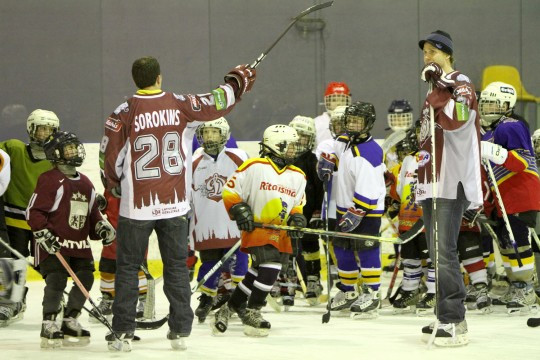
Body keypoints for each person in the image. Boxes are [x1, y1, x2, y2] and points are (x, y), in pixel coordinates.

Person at [101, 56, 255, 352]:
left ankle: (122, 331)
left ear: (135, 80)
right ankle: (180, 329)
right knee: (175, 267)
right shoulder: (180, 104)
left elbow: (110, 157)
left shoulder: (123, 112)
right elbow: (217, 102)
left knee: (128, 268)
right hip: (175, 206)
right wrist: (237, 81)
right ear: (159, 77)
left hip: (137, 207)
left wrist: (113, 183)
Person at [416, 30, 482, 346]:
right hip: (430, 180)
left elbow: (459, 117)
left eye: (433, 52)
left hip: (450, 179)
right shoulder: (435, 89)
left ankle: (452, 318)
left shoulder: (460, 81)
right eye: (425, 53)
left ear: (447, 54)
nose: (427, 57)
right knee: (436, 249)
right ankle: (448, 313)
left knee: (444, 251)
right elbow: (429, 136)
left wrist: (440, 88)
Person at [213, 124, 307, 337]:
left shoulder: (298, 175)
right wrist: (238, 209)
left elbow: (297, 204)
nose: (294, 150)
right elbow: (230, 191)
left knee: (258, 270)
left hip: (280, 231)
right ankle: (253, 311)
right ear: (276, 145)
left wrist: (297, 218)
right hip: (257, 227)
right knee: (271, 266)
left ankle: (231, 307)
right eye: (290, 146)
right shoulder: (254, 166)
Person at [26, 131, 115, 348]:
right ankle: (48, 322)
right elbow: (33, 211)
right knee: (56, 279)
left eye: (75, 147)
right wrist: (42, 232)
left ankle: (69, 320)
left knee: (85, 278)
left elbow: (92, 214)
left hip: (78, 245)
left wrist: (101, 227)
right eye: (69, 149)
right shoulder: (49, 180)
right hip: (52, 244)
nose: (75, 151)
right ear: (56, 153)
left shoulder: (85, 182)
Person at [319, 101, 386, 319]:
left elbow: (370, 189)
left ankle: (373, 293)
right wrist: (327, 159)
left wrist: (357, 211)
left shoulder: (369, 152)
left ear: (368, 124)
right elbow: (330, 146)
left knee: (367, 250)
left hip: (366, 211)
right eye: (350, 121)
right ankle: (348, 292)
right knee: (342, 250)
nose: (353, 125)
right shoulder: (345, 142)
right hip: (344, 208)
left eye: (358, 121)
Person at [479, 81, 540, 314]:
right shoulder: (489, 132)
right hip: (501, 196)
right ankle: (516, 284)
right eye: (485, 104)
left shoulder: (511, 126)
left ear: (507, 104)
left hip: (520, 193)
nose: (487, 108)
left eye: (493, 104)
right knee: (505, 242)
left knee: (519, 240)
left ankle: (525, 288)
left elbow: (522, 162)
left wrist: (496, 152)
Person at [0, 109, 60, 326]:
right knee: (11, 262)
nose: (45, 133)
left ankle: (56, 299)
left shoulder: (58, 159)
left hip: (43, 222)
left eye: (49, 129)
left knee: (50, 263)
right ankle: (11, 302)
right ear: (31, 129)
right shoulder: (14, 149)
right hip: (14, 220)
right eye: (41, 128)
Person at [190, 117, 249, 323]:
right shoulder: (193, 162)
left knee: (240, 263)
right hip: (207, 224)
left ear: (224, 134)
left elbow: (250, 186)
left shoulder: (239, 157)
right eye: (206, 132)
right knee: (209, 263)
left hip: (234, 226)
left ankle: (240, 300)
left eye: (214, 132)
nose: (209, 136)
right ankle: (207, 297)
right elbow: (186, 195)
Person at [288, 116, 324, 306]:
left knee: (310, 244)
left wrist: (318, 213)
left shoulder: (312, 161)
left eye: (304, 136)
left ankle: (313, 279)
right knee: (288, 247)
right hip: (289, 212)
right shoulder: (284, 159)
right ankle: (290, 279)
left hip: (308, 212)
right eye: (298, 135)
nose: (301, 140)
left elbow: (319, 189)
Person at [314, 82, 352, 150]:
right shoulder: (316, 124)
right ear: (327, 101)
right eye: (334, 100)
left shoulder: (353, 123)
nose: (338, 103)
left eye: (342, 100)